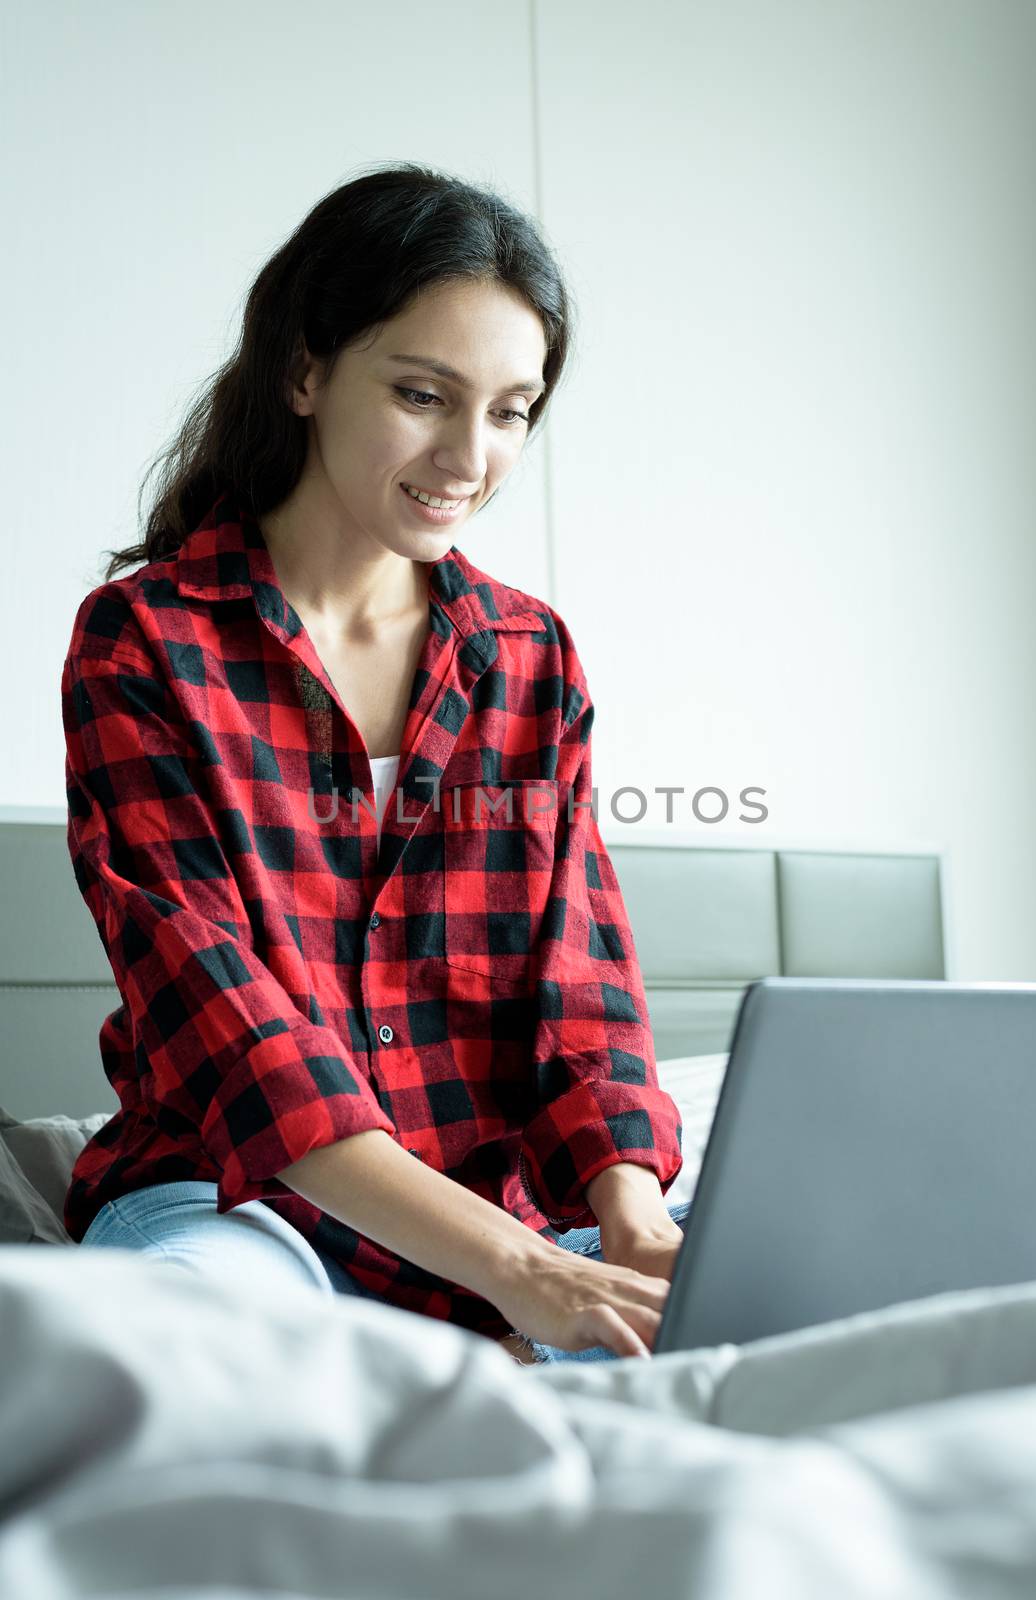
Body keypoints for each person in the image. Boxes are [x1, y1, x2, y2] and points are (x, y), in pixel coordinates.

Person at [63, 162, 689, 1365]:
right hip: (239, 1207)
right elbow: (226, 1024)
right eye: (423, 393)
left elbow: (584, 985)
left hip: (503, 1221)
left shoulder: (528, 658)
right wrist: (518, 1272)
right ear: (304, 369)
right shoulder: (145, 642)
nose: (470, 456)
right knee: (190, 1350)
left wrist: (630, 1222)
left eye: (512, 410)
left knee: (817, 1308)